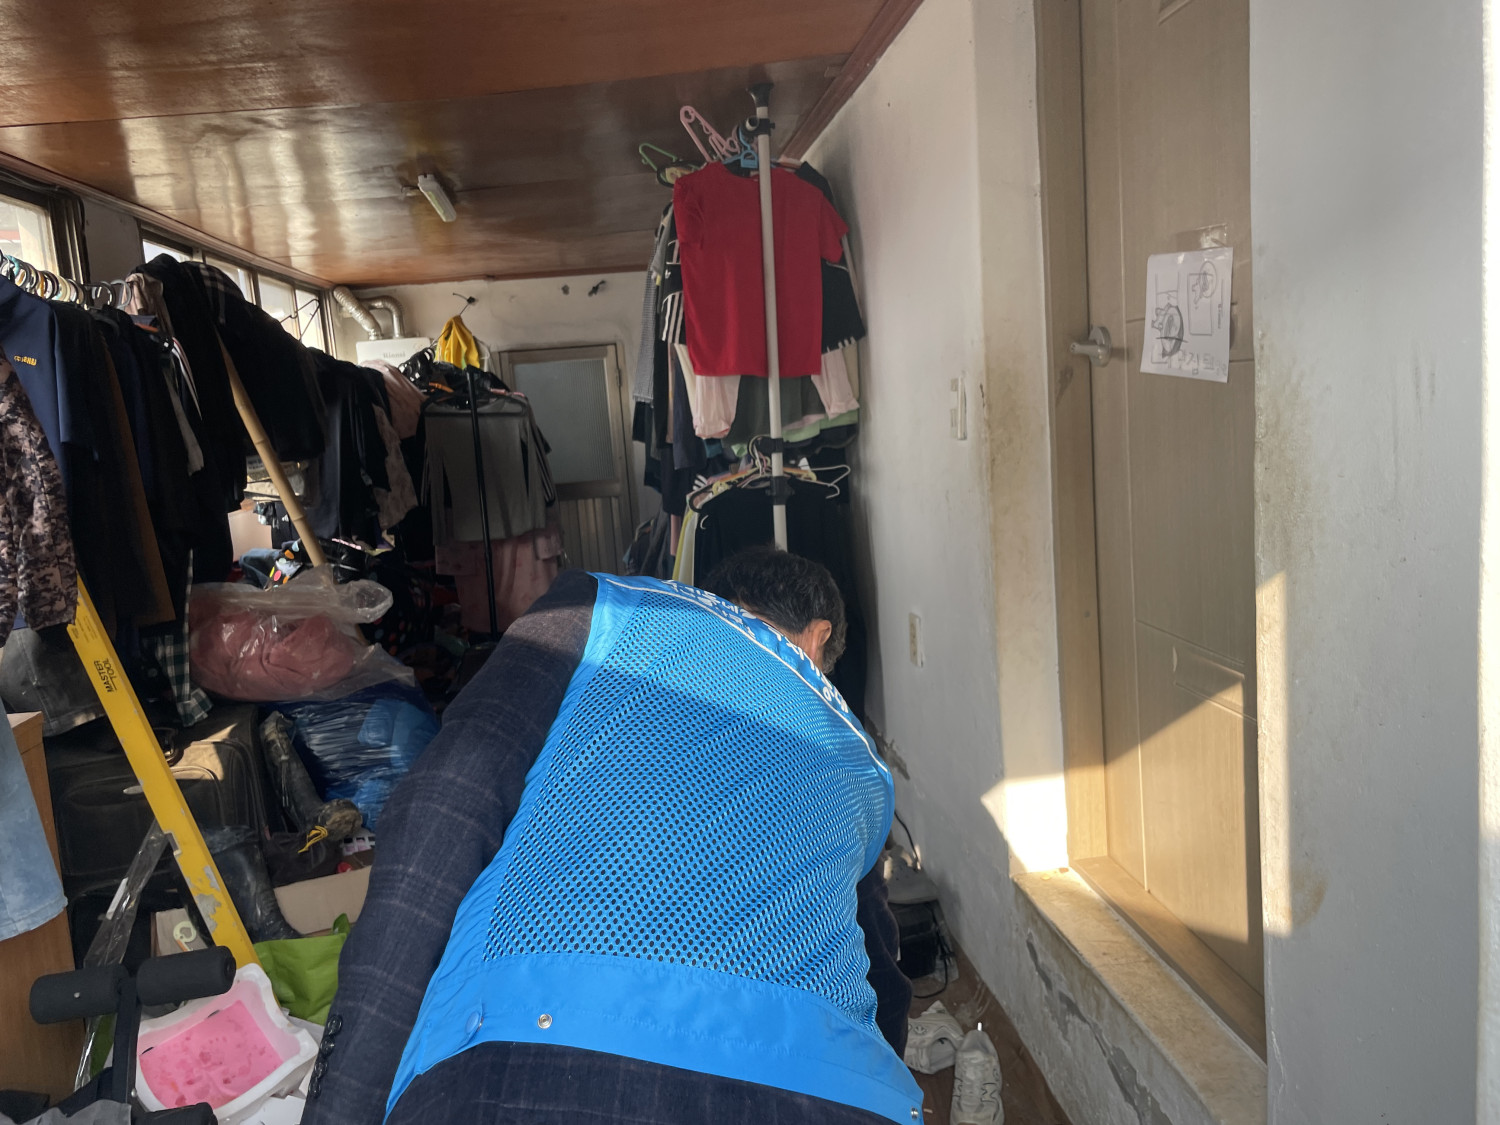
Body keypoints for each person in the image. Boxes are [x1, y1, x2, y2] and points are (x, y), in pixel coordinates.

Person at [301, 547, 922, 1125]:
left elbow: (451, 798)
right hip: (840, 1094)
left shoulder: (607, 608)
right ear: (817, 638)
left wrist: (347, 1099)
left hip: (538, 1060)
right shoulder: (861, 762)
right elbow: (883, 980)